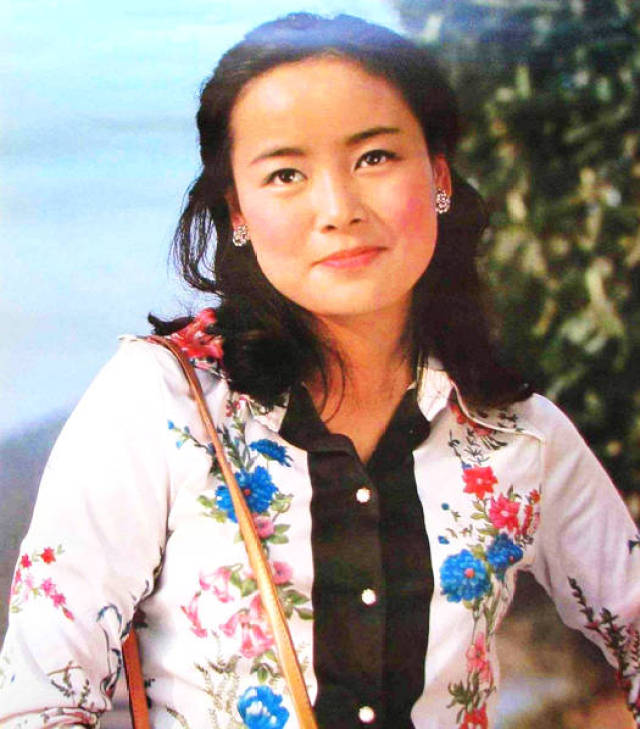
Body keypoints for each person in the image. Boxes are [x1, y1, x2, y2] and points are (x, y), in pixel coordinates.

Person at [1, 12, 639, 729]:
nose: (338, 209)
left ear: (437, 176)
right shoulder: (162, 402)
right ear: (237, 211)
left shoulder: (516, 433)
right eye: (285, 174)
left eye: (375, 158)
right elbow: (40, 701)